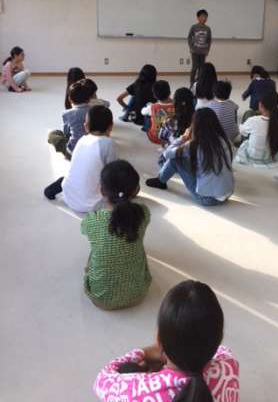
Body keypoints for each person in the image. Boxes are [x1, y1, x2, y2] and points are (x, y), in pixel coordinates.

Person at [93, 280, 240, 402]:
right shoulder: (230, 366)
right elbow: (223, 350)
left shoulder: (138, 391)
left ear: (159, 340)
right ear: (219, 337)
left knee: (127, 369)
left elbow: (102, 380)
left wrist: (143, 352)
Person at [81, 160, 151, 310]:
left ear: (101, 191)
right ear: (136, 190)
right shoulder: (144, 213)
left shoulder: (92, 219)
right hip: (138, 294)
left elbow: (83, 230)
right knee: (138, 247)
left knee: (95, 249)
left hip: (101, 299)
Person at [146, 109, 234, 206]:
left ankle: (160, 180)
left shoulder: (194, 144)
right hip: (228, 193)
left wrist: (183, 138)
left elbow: (167, 154)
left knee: (175, 160)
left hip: (207, 199)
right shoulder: (224, 140)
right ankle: (161, 179)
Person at [44, 105, 117, 213]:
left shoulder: (82, 139)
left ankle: (65, 183)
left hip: (68, 194)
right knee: (124, 183)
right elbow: (113, 172)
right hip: (91, 204)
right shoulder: (108, 143)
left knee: (77, 174)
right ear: (111, 126)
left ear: (85, 126)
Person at [48, 79, 92, 159]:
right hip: (90, 150)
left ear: (70, 99)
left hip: (72, 153)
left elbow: (66, 133)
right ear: (89, 99)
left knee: (53, 134)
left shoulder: (67, 113)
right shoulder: (93, 110)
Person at [236, 91, 278, 166]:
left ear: (260, 105)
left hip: (253, 156)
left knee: (248, 113)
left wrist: (242, 125)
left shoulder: (253, 120)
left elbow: (242, 132)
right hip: (269, 156)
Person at [142, 80, 174, 144]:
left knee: (148, 114)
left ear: (154, 95)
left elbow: (142, 112)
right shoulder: (177, 105)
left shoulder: (153, 107)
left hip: (156, 137)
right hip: (172, 135)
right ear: (170, 92)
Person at [188, 9, 212, 86]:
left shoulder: (207, 28)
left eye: (205, 17)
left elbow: (209, 40)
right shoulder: (194, 27)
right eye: (202, 17)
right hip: (195, 51)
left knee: (201, 68)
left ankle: (199, 82)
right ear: (198, 18)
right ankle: (192, 83)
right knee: (194, 67)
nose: (204, 18)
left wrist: (207, 50)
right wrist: (191, 47)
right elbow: (189, 38)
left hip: (203, 51)